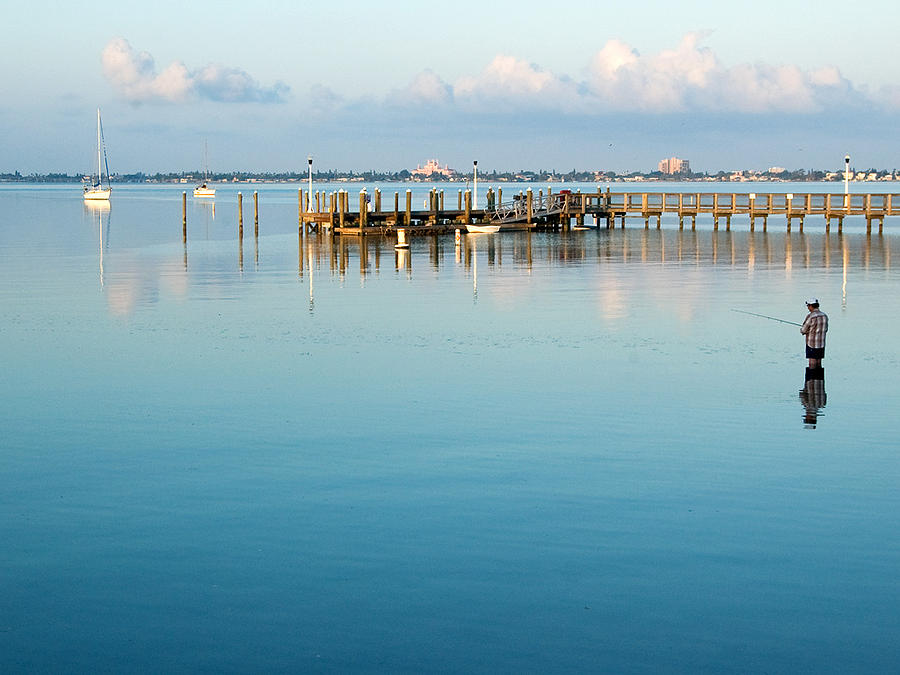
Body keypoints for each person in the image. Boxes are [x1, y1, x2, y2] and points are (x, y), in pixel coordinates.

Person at [800, 298, 828, 368]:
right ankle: (819, 378)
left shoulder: (810, 316)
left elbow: (803, 330)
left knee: (812, 364)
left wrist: (802, 330)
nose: (808, 308)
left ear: (811, 306)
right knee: (819, 364)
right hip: (821, 344)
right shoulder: (824, 316)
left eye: (808, 306)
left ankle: (812, 378)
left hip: (811, 344)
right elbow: (826, 329)